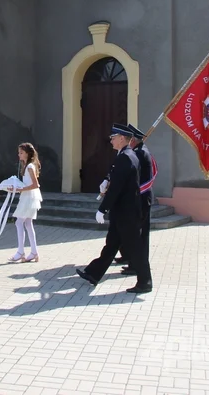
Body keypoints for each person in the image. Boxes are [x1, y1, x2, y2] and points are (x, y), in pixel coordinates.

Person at [76, 123, 153, 294]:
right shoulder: (127, 155)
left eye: (113, 137)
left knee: (135, 247)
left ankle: (145, 282)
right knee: (111, 244)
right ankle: (93, 273)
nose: (111, 140)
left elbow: (116, 188)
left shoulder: (126, 157)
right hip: (124, 211)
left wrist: (102, 209)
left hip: (127, 212)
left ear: (122, 139)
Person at [120, 123, 156, 277]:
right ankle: (133, 261)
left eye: (130, 140)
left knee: (139, 234)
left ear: (134, 140)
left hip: (141, 198)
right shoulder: (140, 151)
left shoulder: (140, 153)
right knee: (137, 233)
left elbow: (140, 178)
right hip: (141, 196)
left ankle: (137, 265)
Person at [7, 143, 43, 263]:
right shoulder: (28, 166)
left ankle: (21, 252)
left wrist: (20, 189)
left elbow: (35, 184)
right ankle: (34, 252)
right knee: (28, 223)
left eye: (21, 152)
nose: (19, 154)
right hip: (29, 197)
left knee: (19, 222)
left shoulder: (29, 167)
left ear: (28, 153)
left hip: (29, 197)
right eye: (19, 152)